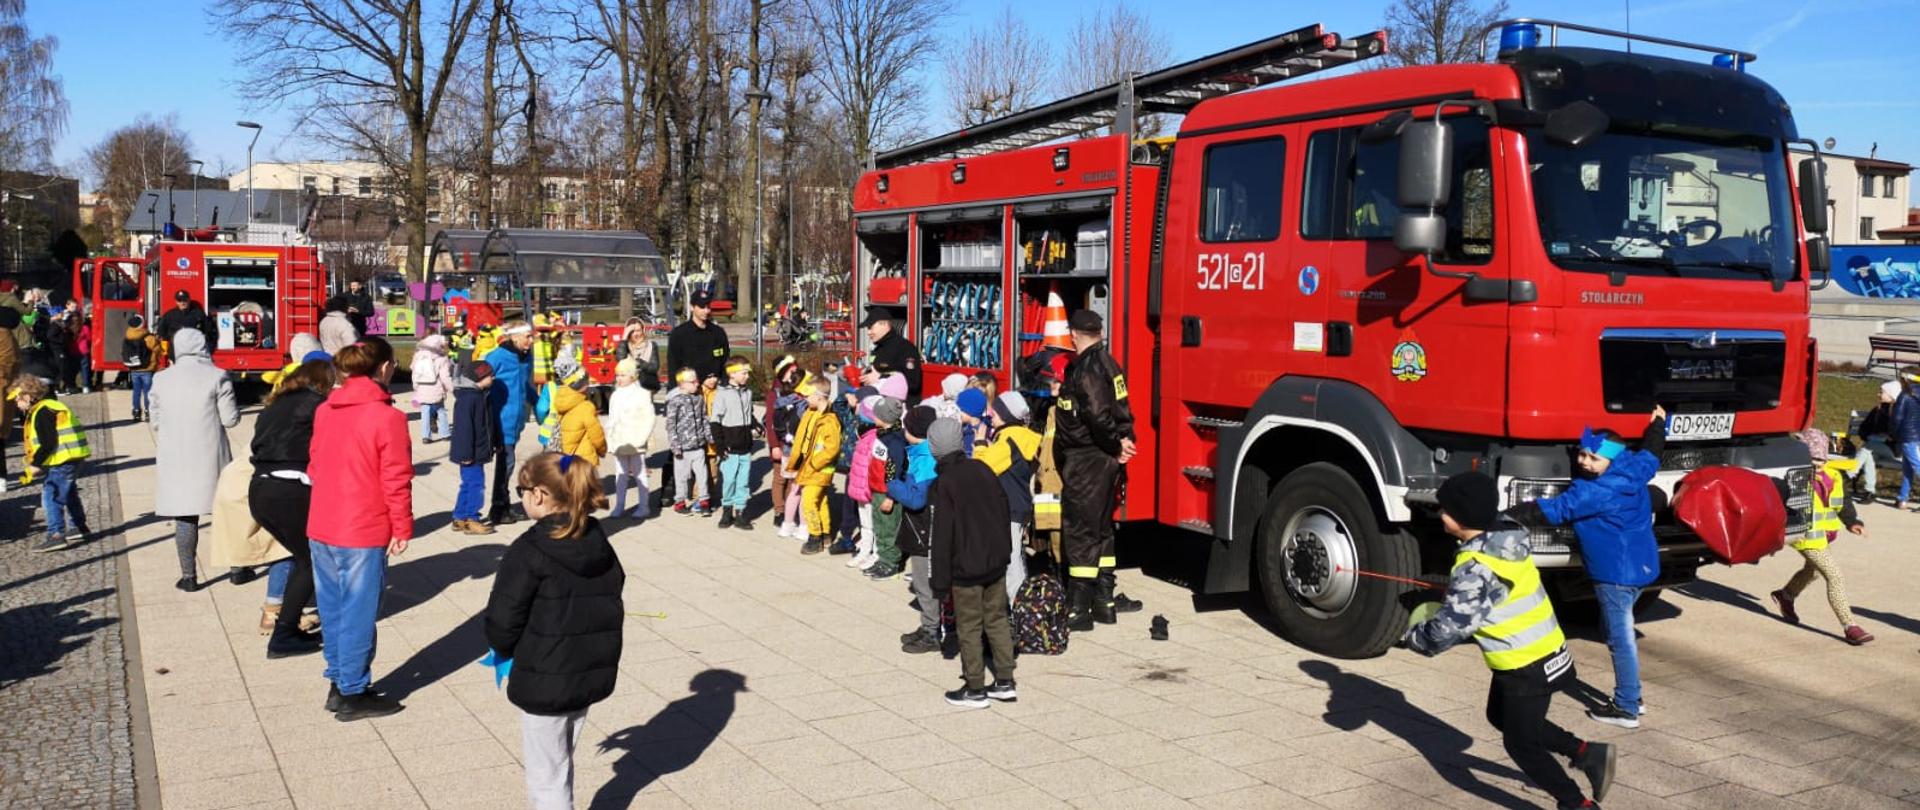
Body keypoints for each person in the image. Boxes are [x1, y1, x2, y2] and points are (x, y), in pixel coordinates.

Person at [1406, 472, 1615, 810]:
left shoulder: (1477, 569)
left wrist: (1413, 637)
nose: (1439, 514)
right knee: (1501, 717)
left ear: (1463, 518)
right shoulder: (1505, 533)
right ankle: (1586, 752)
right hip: (1541, 652)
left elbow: (1447, 630)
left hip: (1526, 665)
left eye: (1444, 510)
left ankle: (1576, 804)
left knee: (1521, 744)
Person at [483, 452, 623, 810]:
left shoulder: (529, 549)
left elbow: (503, 620)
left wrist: (502, 648)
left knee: (547, 777)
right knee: (561, 763)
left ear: (540, 495)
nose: (521, 497)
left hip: (545, 677)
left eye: (522, 490)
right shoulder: (596, 539)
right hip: (587, 671)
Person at [1509, 410, 1664, 729]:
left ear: (1609, 459)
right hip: (1644, 566)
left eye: (1592, 458)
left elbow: (1551, 511)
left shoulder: (1592, 491)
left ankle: (1626, 707)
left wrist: (1501, 515)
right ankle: (1632, 694)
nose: (1584, 462)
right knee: (1614, 628)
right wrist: (1659, 423)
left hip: (1613, 574)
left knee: (1620, 639)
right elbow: (1653, 450)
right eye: (1581, 454)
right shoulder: (1635, 469)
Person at [307, 337, 413, 722]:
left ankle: (339, 678)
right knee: (358, 609)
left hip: (322, 520)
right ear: (384, 368)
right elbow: (396, 478)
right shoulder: (387, 418)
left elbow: (315, 465)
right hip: (361, 525)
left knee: (332, 606)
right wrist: (401, 526)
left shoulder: (325, 410)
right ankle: (351, 688)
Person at [1055, 310, 1141, 631]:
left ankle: (1078, 610)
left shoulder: (1088, 370)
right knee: (1102, 529)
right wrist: (1123, 441)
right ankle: (1104, 601)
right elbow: (1122, 410)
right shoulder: (1109, 363)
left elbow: (1098, 414)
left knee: (1080, 531)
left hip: (1088, 460)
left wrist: (1116, 444)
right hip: (1103, 459)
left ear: (1074, 334)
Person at [926, 417, 1017, 709]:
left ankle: (974, 686)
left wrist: (939, 582)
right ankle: (1005, 680)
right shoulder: (983, 468)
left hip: (965, 566)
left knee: (969, 625)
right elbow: (1004, 511)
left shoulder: (944, 483)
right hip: (995, 560)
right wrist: (1006, 551)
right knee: (997, 618)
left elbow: (941, 537)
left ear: (935, 448)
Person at [248, 356, 335, 658]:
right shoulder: (316, 404)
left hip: (261, 487)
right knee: (311, 559)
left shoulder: (275, 403)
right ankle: (283, 633)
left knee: (303, 557)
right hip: (288, 488)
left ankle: (286, 622)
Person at [150, 329, 240, 591]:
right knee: (223, 512)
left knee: (185, 516)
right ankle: (237, 568)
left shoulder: (161, 378)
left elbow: (155, 419)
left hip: (176, 455)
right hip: (211, 453)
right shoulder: (217, 375)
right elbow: (230, 419)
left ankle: (188, 575)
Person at [1770, 428, 1876, 645]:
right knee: (1834, 576)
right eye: (1813, 458)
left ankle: (1786, 595)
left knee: (1814, 571)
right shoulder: (1796, 478)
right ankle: (1850, 626)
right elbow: (1780, 507)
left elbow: (1843, 502)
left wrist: (1853, 522)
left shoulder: (1833, 475)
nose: (1818, 463)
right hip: (1804, 536)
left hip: (1823, 536)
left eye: (1821, 458)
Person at [11, 375, 92, 551]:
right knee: (69, 492)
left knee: (51, 496)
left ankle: (56, 534)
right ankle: (78, 526)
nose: (16, 403)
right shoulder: (51, 406)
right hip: (73, 456)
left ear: (27, 396)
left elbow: (48, 442)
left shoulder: (42, 412)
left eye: (17, 399)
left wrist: (36, 464)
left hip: (62, 460)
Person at [978, 391, 1042, 601]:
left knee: (1011, 561)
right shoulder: (1021, 437)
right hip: (1018, 505)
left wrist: (979, 445)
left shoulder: (1008, 441)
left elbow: (982, 469)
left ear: (1005, 416)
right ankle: (1020, 604)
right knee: (1016, 557)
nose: (990, 414)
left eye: (995, 412)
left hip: (1009, 508)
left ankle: (1019, 609)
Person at [891, 407, 943, 653]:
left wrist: (892, 484)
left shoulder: (926, 459)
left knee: (925, 583)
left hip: (925, 531)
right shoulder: (921, 453)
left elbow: (916, 500)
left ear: (914, 432)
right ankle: (928, 625)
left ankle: (932, 632)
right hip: (920, 529)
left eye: (906, 427)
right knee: (924, 582)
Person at [487, 321, 537, 525]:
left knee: (506, 465)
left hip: (516, 422)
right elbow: (477, 381)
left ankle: (501, 506)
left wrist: (539, 406)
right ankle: (498, 509)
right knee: (505, 465)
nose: (531, 341)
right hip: (500, 421)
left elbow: (526, 386)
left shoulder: (526, 358)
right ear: (514, 337)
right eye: (528, 336)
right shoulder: (496, 357)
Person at [786, 374, 843, 554]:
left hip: (818, 469)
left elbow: (831, 448)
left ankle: (815, 536)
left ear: (819, 396)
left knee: (808, 502)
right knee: (821, 501)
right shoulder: (810, 413)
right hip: (808, 467)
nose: (805, 399)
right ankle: (826, 533)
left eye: (808, 396)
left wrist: (814, 463)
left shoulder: (830, 421)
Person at [450, 360, 499, 535]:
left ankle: (460, 516)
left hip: (477, 449)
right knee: (476, 485)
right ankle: (472, 518)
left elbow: (486, 425)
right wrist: (465, 453)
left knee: (468, 484)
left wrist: (494, 443)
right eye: (490, 375)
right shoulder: (469, 399)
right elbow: (463, 429)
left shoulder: (481, 395)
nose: (493, 378)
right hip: (470, 452)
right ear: (480, 377)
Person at [605, 359, 656, 520]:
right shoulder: (615, 394)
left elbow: (649, 418)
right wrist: (609, 437)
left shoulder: (642, 394)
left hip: (635, 440)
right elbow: (612, 418)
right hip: (619, 440)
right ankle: (620, 505)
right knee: (620, 473)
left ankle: (644, 506)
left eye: (623, 375)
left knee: (639, 473)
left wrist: (642, 438)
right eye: (617, 375)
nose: (619, 379)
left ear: (633, 376)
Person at [864, 397, 909, 580]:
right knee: (880, 526)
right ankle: (883, 559)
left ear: (883, 418)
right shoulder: (883, 434)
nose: (873, 417)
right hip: (877, 488)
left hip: (887, 492)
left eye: (876, 414)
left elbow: (895, 469)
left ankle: (891, 563)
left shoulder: (894, 440)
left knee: (888, 528)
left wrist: (891, 496)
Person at [710, 357, 757, 529]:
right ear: (732, 373)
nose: (747, 376)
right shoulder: (722, 394)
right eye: (743, 373)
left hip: (745, 446)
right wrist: (720, 445)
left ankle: (741, 512)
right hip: (729, 446)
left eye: (747, 373)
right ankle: (727, 510)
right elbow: (715, 421)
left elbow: (748, 413)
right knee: (729, 480)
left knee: (743, 482)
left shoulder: (748, 392)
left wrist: (755, 424)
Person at [664, 368, 713, 515]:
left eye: (697, 380)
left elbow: (704, 419)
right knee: (682, 477)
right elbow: (671, 425)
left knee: (703, 475)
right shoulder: (675, 401)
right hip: (682, 448)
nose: (697, 384)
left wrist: (709, 436)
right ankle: (680, 502)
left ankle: (704, 501)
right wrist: (675, 445)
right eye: (693, 382)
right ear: (682, 384)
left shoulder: (698, 399)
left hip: (698, 446)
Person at [844, 396, 882, 568]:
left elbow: (875, 468)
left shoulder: (875, 438)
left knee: (875, 524)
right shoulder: (864, 434)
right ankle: (865, 551)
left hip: (870, 489)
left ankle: (876, 553)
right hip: (861, 489)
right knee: (865, 524)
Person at [766, 355, 803, 534]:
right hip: (781, 443)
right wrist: (774, 445)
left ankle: (791, 509)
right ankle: (779, 511)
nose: (795, 371)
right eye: (791, 369)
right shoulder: (775, 394)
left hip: (796, 444)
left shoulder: (800, 390)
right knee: (780, 478)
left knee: (793, 479)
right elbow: (770, 423)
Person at [666, 290, 729, 384]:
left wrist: (723, 382)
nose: (706, 311)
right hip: (688, 389)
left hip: (715, 389)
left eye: (708, 307)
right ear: (692, 307)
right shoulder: (679, 334)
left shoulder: (718, 333)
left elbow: (725, 362)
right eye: (702, 307)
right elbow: (673, 367)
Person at [861, 306, 923, 401]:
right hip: (878, 402)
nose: (868, 332)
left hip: (898, 407)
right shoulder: (878, 348)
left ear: (884, 324)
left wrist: (881, 378)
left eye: (871, 327)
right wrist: (866, 376)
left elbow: (913, 383)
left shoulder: (905, 348)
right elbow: (877, 372)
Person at [552, 373, 607, 467]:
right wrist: (602, 450)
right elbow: (596, 434)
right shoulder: (586, 408)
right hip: (584, 460)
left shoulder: (562, 402)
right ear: (585, 387)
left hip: (565, 458)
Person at [410, 333, 454, 443]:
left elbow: (414, 371)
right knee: (441, 411)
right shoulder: (441, 359)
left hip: (422, 389)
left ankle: (426, 436)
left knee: (425, 413)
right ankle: (445, 434)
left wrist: (416, 387)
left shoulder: (418, 356)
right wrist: (451, 389)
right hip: (436, 389)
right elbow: (445, 377)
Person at [156, 290, 218, 361]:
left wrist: (209, 349)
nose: (182, 303)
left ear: (189, 300)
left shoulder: (199, 314)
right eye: (180, 301)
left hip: (195, 354)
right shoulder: (169, 315)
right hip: (175, 354)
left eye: (185, 300)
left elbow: (210, 332)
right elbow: (161, 333)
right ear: (176, 302)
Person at [123, 315, 162, 422]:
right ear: (142, 324)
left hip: (134, 369)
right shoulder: (148, 337)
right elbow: (157, 350)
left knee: (136, 391)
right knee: (147, 391)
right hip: (147, 369)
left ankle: (136, 411)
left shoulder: (127, 336)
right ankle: (148, 412)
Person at [1892, 375, 1920, 510]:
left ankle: (1902, 498)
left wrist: (1895, 434)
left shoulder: (1905, 395)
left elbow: (1897, 417)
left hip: (1908, 435)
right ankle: (1902, 499)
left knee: (1916, 465)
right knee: (1908, 468)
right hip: (1917, 434)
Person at [0, 307, 18, 492]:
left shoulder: (2, 335)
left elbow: (6, 366)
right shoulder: (7, 336)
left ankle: (2, 477)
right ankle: (2, 477)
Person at [615, 318, 661, 391]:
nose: (636, 334)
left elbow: (654, 367)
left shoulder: (651, 345)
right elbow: (621, 360)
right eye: (632, 331)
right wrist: (624, 337)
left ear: (643, 330)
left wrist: (639, 363)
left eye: (638, 330)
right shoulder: (624, 345)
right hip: (627, 385)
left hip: (646, 384)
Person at [954, 388, 989, 453]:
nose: (957, 412)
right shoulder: (968, 428)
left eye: (960, 410)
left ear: (969, 412)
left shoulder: (973, 435)